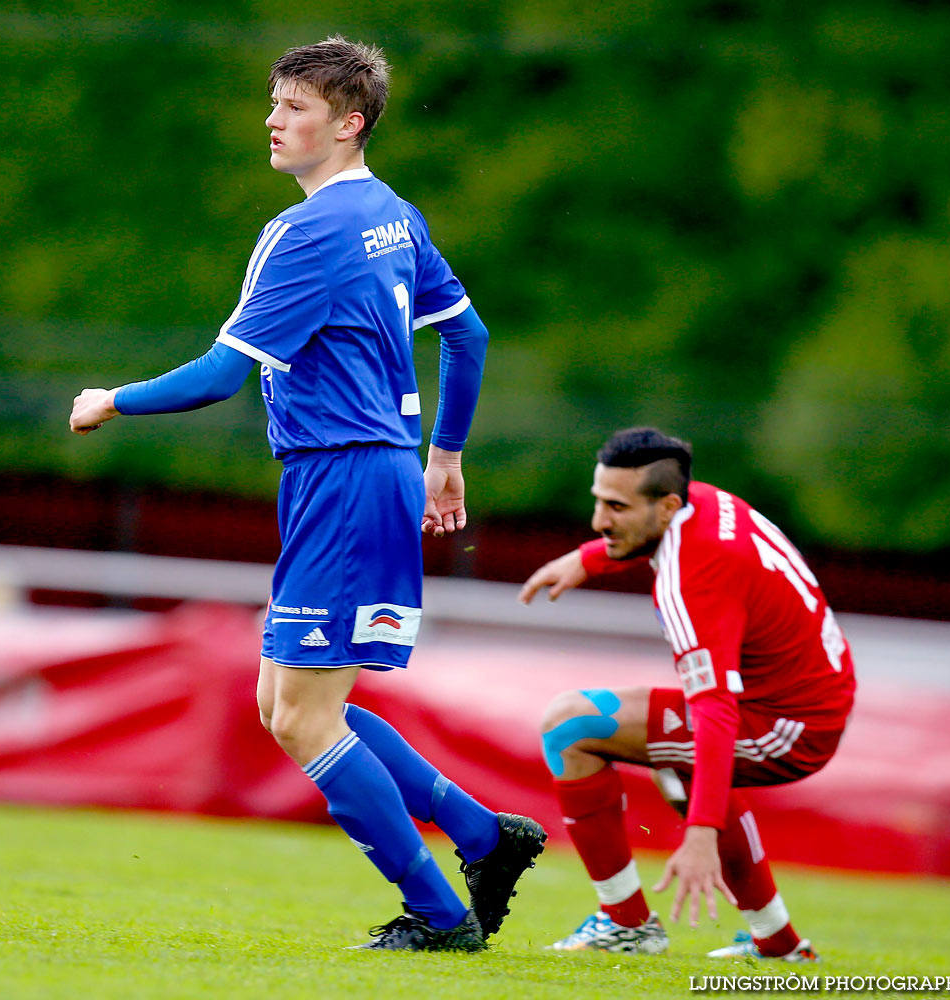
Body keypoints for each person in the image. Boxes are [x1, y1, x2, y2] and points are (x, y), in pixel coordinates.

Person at [69, 37, 546, 952]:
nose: (273, 120)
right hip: (373, 471)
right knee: (282, 699)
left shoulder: (308, 231)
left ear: (348, 123)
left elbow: (219, 376)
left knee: (298, 714)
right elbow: (470, 336)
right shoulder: (394, 216)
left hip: (342, 475)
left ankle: (442, 917)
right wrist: (444, 457)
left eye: (293, 107)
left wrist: (112, 399)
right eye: (274, 103)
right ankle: (486, 839)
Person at [518, 427, 855, 961]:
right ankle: (777, 942)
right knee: (670, 756)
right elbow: (642, 529)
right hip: (806, 701)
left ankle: (624, 924)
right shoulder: (703, 501)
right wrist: (587, 557)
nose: (599, 520)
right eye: (598, 501)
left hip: (788, 728)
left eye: (615, 506)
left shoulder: (692, 577)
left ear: (669, 504)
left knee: (570, 725)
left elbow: (716, 708)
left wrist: (700, 835)